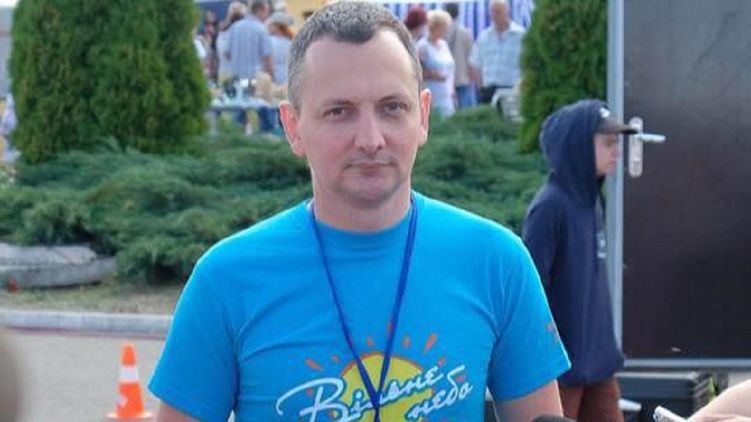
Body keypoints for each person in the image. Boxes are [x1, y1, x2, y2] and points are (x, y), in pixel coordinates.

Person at [149, 2, 570, 421]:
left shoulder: (496, 261)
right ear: (293, 127)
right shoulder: (226, 280)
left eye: (392, 107)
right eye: (339, 111)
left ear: (423, 115)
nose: (370, 139)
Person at [522, 100, 637, 422]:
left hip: (598, 362)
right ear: (578, 147)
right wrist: (542, 355)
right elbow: (529, 290)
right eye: (608, 143)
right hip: (561, 369)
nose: (617, 152)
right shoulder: (550, 208)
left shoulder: (591, 202)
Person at [469, 0, 525, 104]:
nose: (495, 15)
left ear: (507, 11)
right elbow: (475, 64)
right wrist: (481, 87)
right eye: (492, 11)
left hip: (511, 90)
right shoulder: (484, 36)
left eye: (498, 11)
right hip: (488, 90)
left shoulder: (520, 35)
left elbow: (528, 63)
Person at [416, 10, 456, 118]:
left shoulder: (444, 45)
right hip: (432, 94)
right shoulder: (422, 46)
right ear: (435, 27)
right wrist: (434, 75)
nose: (445, 31)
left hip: (447, 95)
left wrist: (452, 91)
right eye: (443, 27)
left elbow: (450, 69)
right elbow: (417, 73)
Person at [227, 0, 273, 81]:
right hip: (256, 79)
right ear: (259, 10)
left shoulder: (234, 27)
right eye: (266, 12)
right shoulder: (261, 29)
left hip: (236, 78)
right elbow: (267, 57)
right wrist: (271, 77)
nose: (267, 16)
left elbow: (227, 54)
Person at [443, 2, 477, 110]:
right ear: (458, 14)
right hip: (463, 80)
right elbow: (471, 60)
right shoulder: (466, 33)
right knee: (465, 115)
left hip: (445, 81)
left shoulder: (440, 33)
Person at [216, 2, 247, 84]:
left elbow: (221, 53)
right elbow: (227, 53)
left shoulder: (223, 31)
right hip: (236, 73)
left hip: (224, 72)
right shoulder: (234, 32)